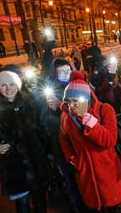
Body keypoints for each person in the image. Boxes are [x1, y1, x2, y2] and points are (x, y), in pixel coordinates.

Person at [0, 70, 49, 213]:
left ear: (18, 85)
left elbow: (41, 127)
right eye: (3, 85)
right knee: (22, 205)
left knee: (40, 201)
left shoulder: (30, 102)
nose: (8, 88)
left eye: (12, 84)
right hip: (16, 167)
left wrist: (48, 152)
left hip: (37, 161)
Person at [59, 71, 121, 212]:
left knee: (110, 206)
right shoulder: (66, 116)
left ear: (86, 99)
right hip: (86, 171)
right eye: (68, 101)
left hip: (107, 170)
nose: (71, 106)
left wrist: (89, 120)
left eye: (75, 101)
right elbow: (64, 139)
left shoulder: (105, 110)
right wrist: (72, 158)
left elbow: (110, 140)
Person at [39, 58, 82, 212]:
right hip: (60, 144)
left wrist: (63, 106)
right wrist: (53, 109)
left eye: (68, 70)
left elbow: (84, 113)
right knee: (69, 176)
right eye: (62, 72)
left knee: (84, 174)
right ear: (54, 74)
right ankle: (76, 205)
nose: (66, 74)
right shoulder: (49, 93)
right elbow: (44, 121)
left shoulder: (77, 87)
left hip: (80, 141)